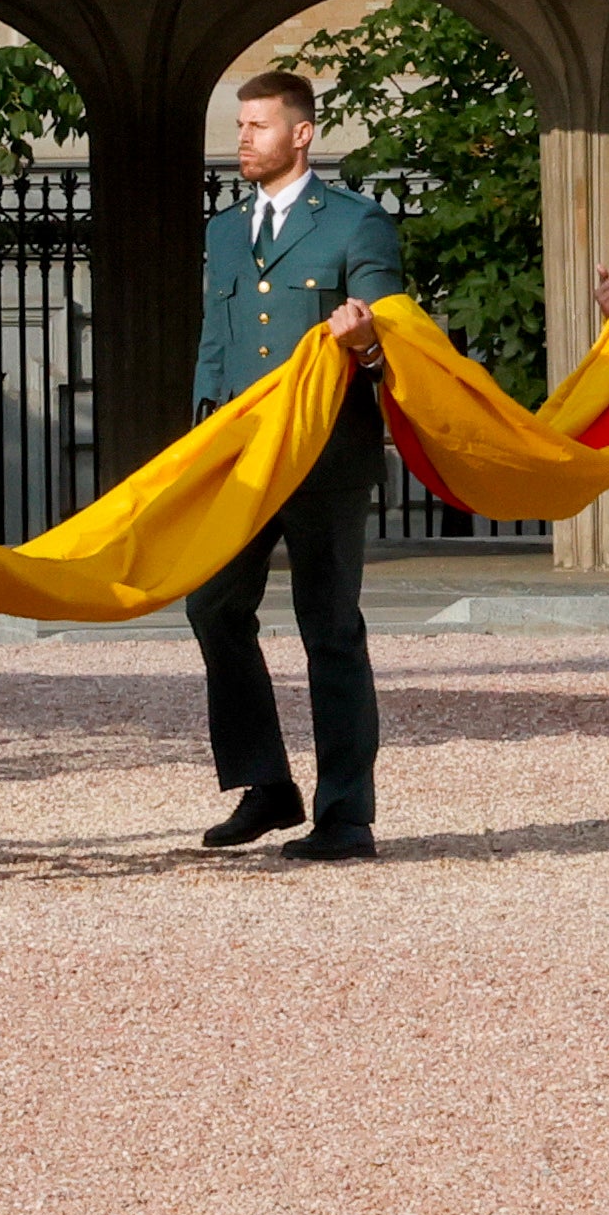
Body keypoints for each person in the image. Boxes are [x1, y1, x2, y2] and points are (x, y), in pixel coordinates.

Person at [185, 66, 410, 863]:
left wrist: (369, 341)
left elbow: (394, 338)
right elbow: (216, 348)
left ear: (302, 133)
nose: (241, 139)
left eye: (257, 126)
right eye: (239, 125)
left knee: (330, 630)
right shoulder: (223, 231)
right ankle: (266, 784)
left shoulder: (357, 225)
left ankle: (346, 814)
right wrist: (202, 437)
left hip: (326, 456)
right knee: (212, 606)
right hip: (242, 457)